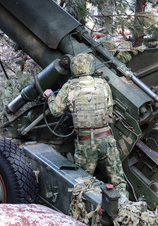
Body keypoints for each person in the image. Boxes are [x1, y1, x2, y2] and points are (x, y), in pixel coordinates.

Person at [43, 53, 128, 198]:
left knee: (83, 185)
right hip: (106, 141)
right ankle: (124, 212)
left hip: (85, 143)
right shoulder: (103, 84)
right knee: (118, 182)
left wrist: (50, 96)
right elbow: (109, 111)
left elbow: (56, 111)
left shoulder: (69, 87)